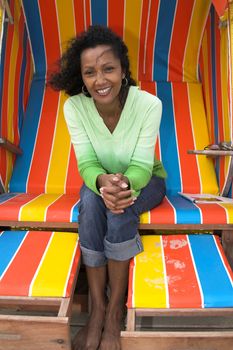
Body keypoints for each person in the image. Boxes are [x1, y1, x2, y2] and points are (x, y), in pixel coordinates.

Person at [48, 25, 166, 350]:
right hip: (99, 182)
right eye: (90, 72)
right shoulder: (74, 108)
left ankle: (115, 311)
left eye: (108, 68)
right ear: (81, 78)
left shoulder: (149, 105)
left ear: (123, 70)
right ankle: (97, 308)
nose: (100, 80)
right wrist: (103, 182)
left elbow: (142, 167)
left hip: (147, 180)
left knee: (120, 208)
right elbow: (86, 164)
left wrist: (124, 183)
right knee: (90, 200)